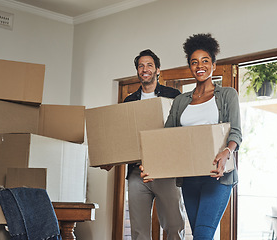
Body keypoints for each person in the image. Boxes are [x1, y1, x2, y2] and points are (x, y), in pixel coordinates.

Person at [142, 34, 242, 239]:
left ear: (214, 64)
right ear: (190, 67)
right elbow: (167, 138)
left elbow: (236, 132)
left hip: (217, 176)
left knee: (202, 236)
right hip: (189, 179)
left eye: (205, 61)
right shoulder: (181, 101)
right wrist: (154, 166)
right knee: (198, 234)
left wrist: (227, 151)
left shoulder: (227, 95)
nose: (200, 66)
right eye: (194, 62)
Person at [102, 49, 186, 240]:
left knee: (174, 226)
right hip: (137, 173)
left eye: (149, 65)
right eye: (141, 66)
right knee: (139, 231)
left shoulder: (173, 95)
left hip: (167, 171)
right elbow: (124, 138)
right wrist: (112, 160)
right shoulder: (129, 101)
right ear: (137, 71)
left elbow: (181, 132)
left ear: (157, 70)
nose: (145, 69)